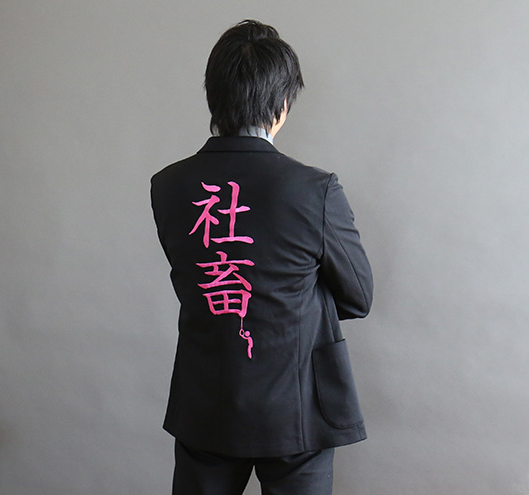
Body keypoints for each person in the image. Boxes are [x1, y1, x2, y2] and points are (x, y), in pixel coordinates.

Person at [150, 19, 373, 495]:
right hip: (298, 404)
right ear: (283, 101)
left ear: (213, 97)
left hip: (205, 400)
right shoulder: (314, 189)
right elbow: (358, 296)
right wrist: (296, 298)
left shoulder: (168, 186)